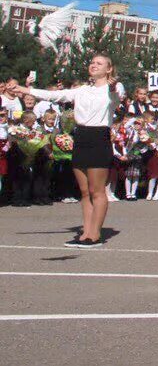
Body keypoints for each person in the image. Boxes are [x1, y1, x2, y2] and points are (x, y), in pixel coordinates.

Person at [7, 57, 123, 244]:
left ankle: (95, 233)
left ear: (109, 69)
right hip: (81, 137)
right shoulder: (82, 90)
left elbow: (116, 94)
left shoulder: (114, 89)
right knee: (85, 191)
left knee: (97, 190)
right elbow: (54, 96)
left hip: (99, 138)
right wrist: (25, 90)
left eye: (99, 63)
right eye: (92, 62)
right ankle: (85, 233)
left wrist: (112, 86)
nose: (93, 65)